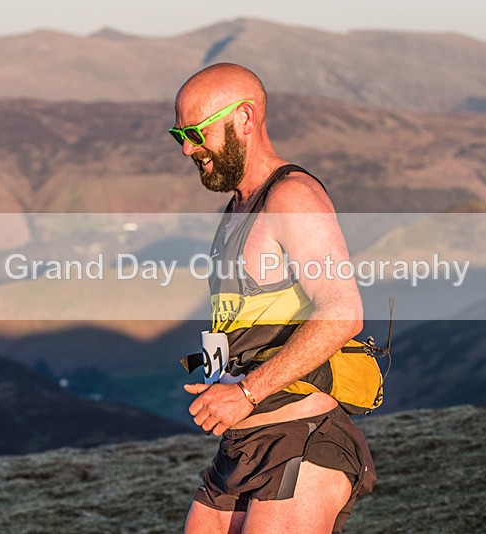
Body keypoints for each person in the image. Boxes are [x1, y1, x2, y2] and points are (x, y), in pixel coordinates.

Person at [171, 63, 375, 533]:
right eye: (178, 133)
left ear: (244, 117)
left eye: (197, 132)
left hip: (301, 441)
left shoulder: (292, 197)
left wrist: (244, 393)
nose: (187, 148)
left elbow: (344, 313)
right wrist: (222, 386)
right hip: (243, 443)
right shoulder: (239, 208)